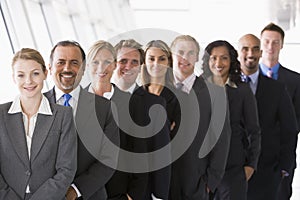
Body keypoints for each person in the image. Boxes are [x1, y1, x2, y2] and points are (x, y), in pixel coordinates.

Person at [44, 40, 119, 200]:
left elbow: (109, 159)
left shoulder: (105, 108)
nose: (67, 68)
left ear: (83, 68)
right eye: (61, 62)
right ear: (50, 68)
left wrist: (75, 190)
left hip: (89, 195)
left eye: (74, 63)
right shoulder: (34, 105)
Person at [0, 48, 77, 200]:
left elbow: (66, 169)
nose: (28, 81)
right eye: (21, 75)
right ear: (14, 78)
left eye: (35, 73)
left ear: (45, 74)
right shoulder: (1, 115)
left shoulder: (63, 115)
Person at [169, 35, 231, 200]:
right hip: (163, 183)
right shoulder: (159, 91)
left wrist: (210, 183)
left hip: (197, 184)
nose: (185, 57)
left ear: (197, 57)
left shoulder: (215, 94)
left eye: (191, 53)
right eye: (180, 52)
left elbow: (221, 141)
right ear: (171, 55)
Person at [85, 39, 148, 200]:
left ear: (114, 65)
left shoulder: (132, 103)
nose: (101, 68)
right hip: (86, 192)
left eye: (107, 62)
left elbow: (140, 153)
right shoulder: (77, 102)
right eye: (95, 62)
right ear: (87, 66)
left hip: (119, 192)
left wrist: (133, 195)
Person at [237, 34, 298, 200]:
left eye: (255, 49)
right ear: (238, 53)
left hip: (268, 172)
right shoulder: (227, 87)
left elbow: (289, 129)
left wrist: (285, 168)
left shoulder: (277, 89)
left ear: (261, 53)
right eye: (245, 48)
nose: (251, 53)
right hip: (232, 173)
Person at [201, 40, 261, 200]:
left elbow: (254, 130)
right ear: (207, 61)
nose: (218, 63)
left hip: (233, 169)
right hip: (202, 169)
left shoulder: (242, 90)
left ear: (232, 60)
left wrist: (251, 165)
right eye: (213, 58)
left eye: (224, 58)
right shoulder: (198, 87)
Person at [260, 22, 300, 200]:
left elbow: (297, 121)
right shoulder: (246, 80)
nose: (271, 46)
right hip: (252, 159)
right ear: (261, 44)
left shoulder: (295, 80)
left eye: (276, 42)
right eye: (267, 41)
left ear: (282, 45)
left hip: (282, 158)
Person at [141, 40, 182, 199]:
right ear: (144, 62)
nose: (156, 63)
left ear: (169, 62)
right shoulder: (135, 97)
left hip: (172, 176)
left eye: (162, 59)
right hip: (142, 175)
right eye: (151, 58)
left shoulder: (179, 98)